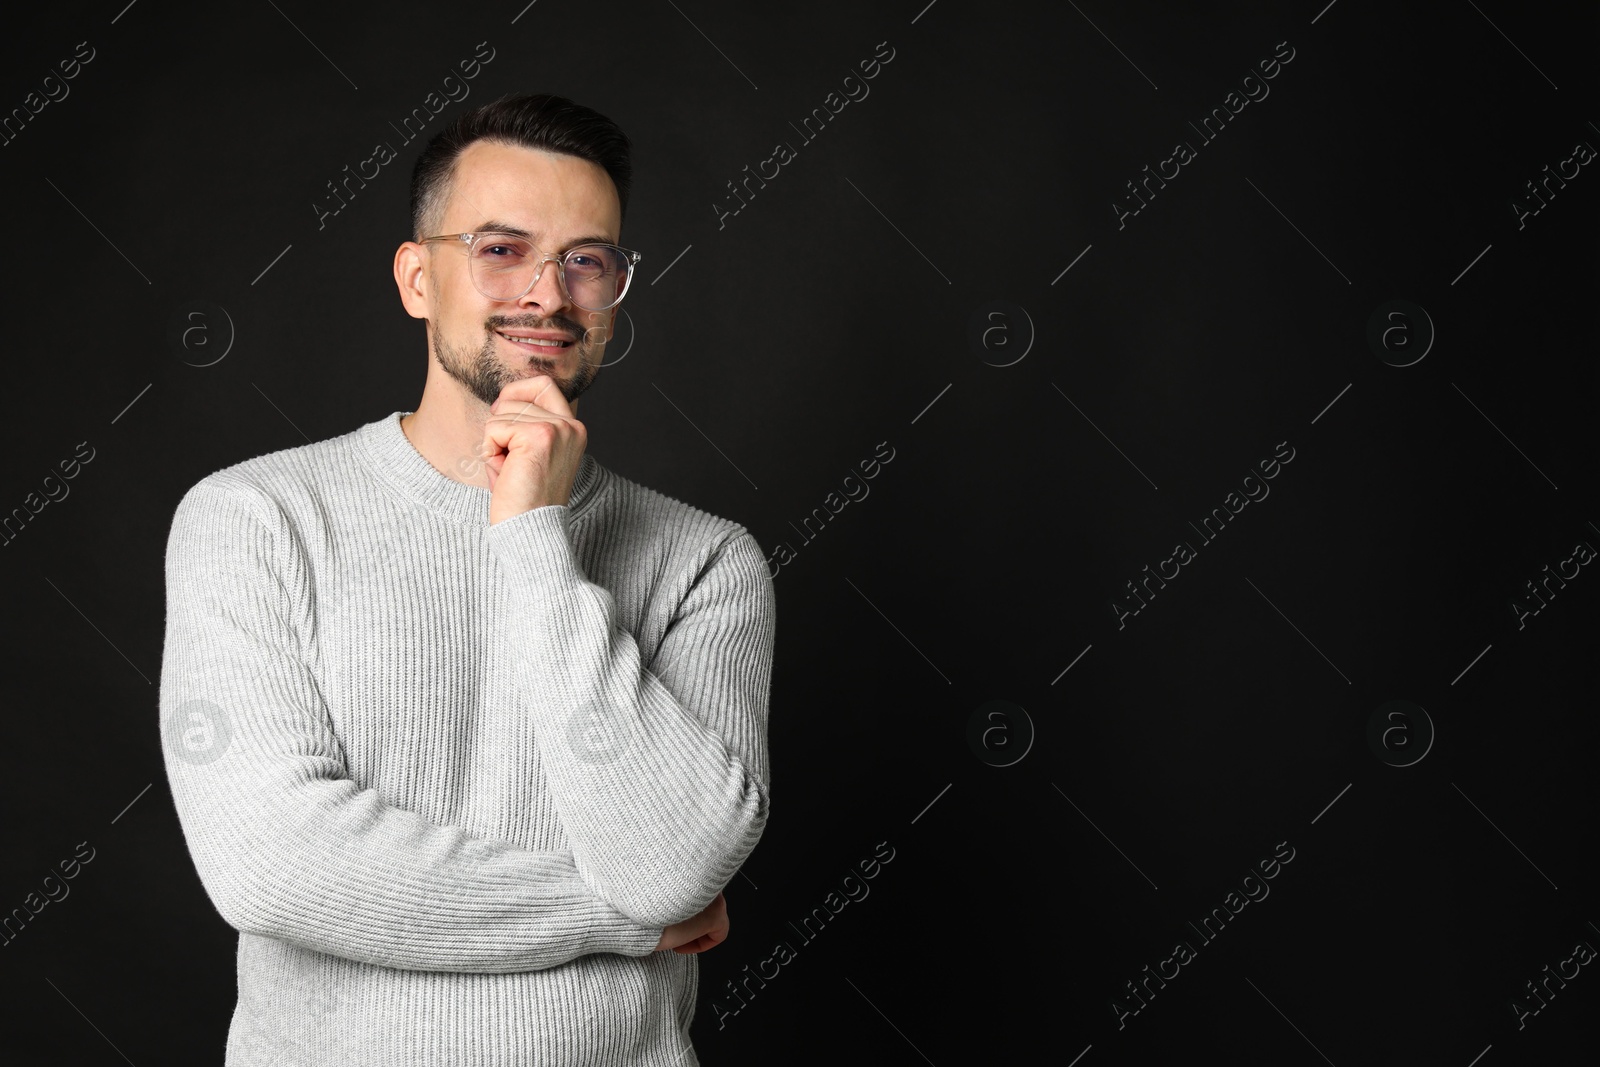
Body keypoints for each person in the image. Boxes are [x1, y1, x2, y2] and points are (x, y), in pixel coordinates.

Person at [158, 92, 776, 1066]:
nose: (548, 293)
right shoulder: (253, 519)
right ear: (416, 278)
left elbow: (676, 861)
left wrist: (531, 533)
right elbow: (273, 862)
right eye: (500, 249)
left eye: (587, 259)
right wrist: (623, 918)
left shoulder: (706, 560)